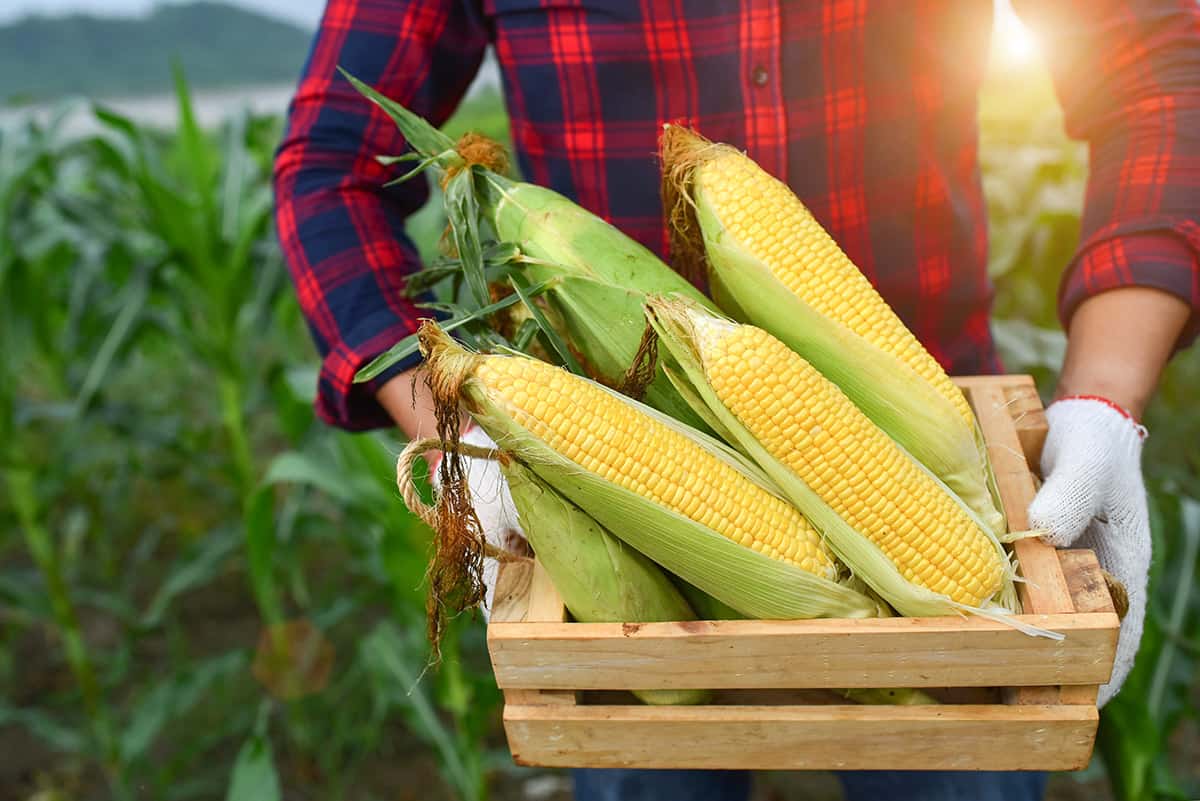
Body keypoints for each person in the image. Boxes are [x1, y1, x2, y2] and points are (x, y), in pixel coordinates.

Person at [274, 2, 1199, 799]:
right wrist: (455, 424)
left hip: (952, 484)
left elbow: (1158, 66)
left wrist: (1106, 398)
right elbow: (328, 167)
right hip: (626, 528)